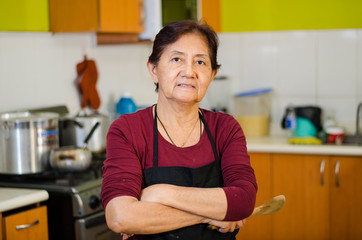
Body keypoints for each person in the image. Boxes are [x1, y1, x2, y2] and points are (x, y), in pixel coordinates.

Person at [101, 19, 257, 240]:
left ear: (212, 74)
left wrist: (158, 193)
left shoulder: (225, 128)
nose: (189, 71)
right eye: (177, 59)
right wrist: (209, 213)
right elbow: (121, 217)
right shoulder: (128, 130)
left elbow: (243, 201)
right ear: (154, 70)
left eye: (201, 62)